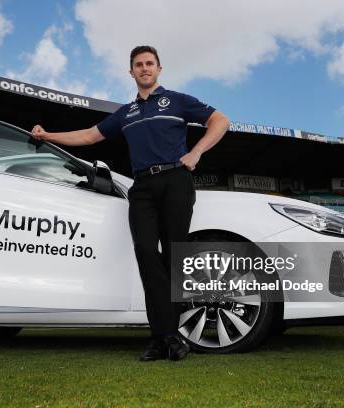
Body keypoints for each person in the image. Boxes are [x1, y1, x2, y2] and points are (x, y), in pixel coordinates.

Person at [31, 45, 229, 361]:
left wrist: (196, 153)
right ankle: (164, 337)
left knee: (174, 257)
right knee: (147, 255)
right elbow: (88, 136)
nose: (144, 68)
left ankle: (169, 337)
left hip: (176, 180)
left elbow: (220, 121)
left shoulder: (178, 101)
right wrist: (49, 136)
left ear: (159, 69)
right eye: (139, 64)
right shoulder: (126, 113)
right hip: (143, 188)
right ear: (132, 72)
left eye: (150, 63)